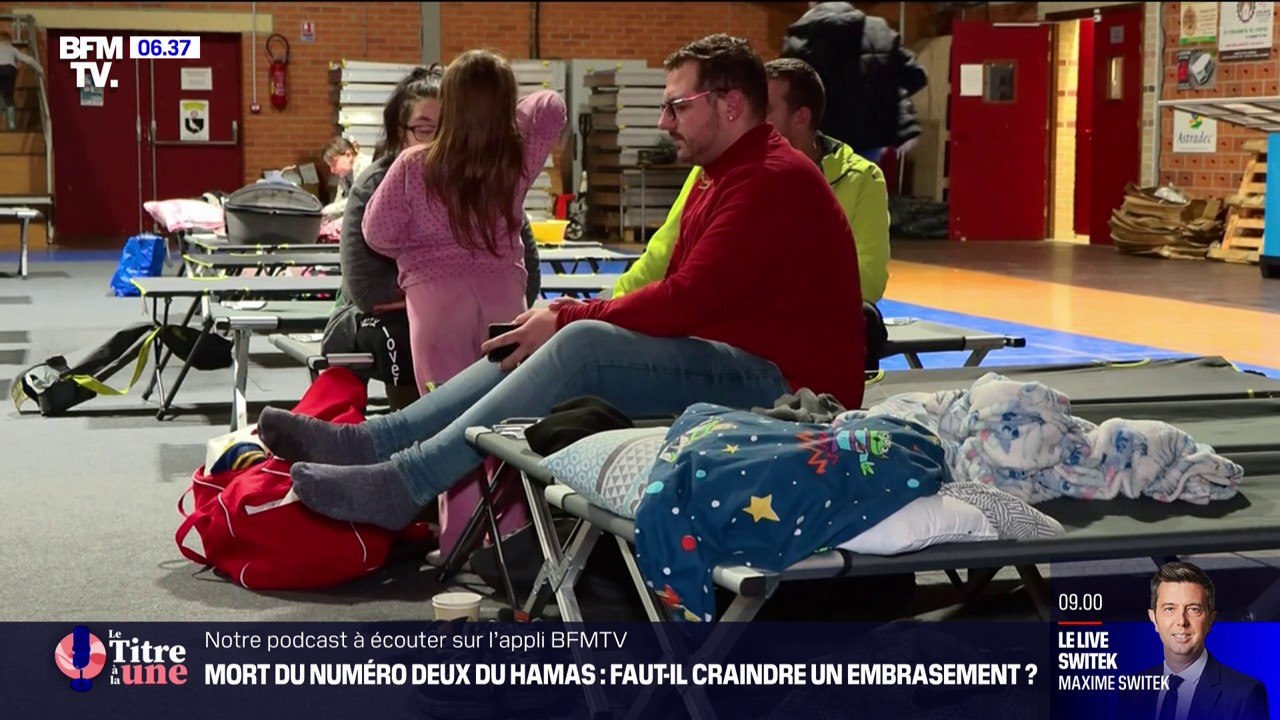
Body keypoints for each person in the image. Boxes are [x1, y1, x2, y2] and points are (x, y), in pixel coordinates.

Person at [256, 34, 865, 532]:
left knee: (575, 340)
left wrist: (572, 316)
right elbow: (679, 289)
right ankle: (373, 442)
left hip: (785, 384)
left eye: (677, 106)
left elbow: (688, 299)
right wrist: (562, 316)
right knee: (534, 332)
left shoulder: (769, 179)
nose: (663, 122)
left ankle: (405, 480)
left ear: (730, 106)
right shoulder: (719, 176)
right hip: (738, 356)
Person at [610, 56, 890, 305]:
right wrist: (615, 301)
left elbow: (868, 279)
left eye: (763, 108)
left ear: (801, 117)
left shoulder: (862, 179)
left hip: (802, 334)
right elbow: (663, 251)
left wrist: (755, 284)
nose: (750, 116)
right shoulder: (712, 169)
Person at [320, 66, 444, 413]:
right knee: (410, 335)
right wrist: (443, 290)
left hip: (448, 313)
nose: (437, 141)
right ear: (400, 132)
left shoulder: (476, 180)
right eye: (424, 129)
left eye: (449, 128)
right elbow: (366, 289)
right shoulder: (374, 185)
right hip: (374, 318)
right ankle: (411, 442)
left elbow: (521, 270)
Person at [1116, 562, 1269, 720]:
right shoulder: (1132, 690)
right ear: (1154, 618)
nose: (1181, 621)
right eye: (1170, 609)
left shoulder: (1244, 695)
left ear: (1210, 620)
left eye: (1193, 609)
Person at [780, 2, 927, 165]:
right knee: (861, 187)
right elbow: (915, 77)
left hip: (819, 141)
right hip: (868, 141)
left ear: (812, 3)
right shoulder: (879, 31)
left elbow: (786, 93)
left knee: (816, 188)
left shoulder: (800, 36)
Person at [320, 137, 371, 220]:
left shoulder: (366, 167)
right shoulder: (345, 174)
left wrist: (326, 211)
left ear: (348, 155)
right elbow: (339, 201)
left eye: (334, 164)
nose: (332, 170)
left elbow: (356, 201)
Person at [0, 30, 42, 131]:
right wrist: (40, 70)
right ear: (9, 41)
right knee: (9, 98)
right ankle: (11, 125)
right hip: (9, 70)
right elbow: (29, 60)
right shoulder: (12, 49)